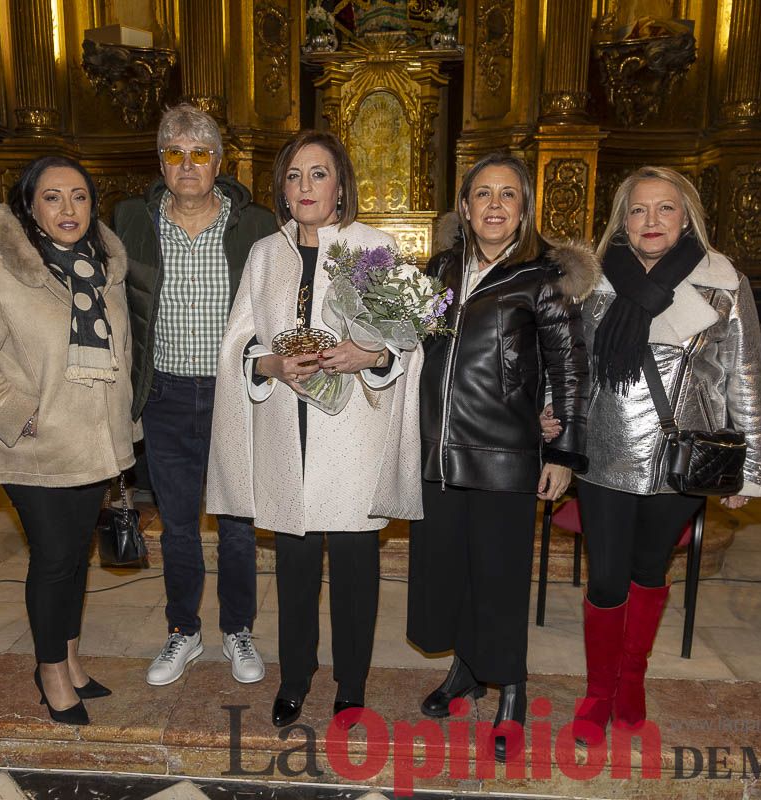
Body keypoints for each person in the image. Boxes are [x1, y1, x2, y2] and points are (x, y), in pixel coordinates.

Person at [205, 130, 422, 728]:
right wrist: (270, 363)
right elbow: (238, 343)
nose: (305, 187)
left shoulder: (375, 248)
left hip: (352, 434)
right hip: (285, 429)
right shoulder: (265, 254)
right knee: (296, 574)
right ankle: (295, 678)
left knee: (355, 571)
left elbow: (406, 348)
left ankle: (351, 687)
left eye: (318, 174)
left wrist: (368, 356)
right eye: (294, 175)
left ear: (341, 186)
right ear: (281, 187)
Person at [570, 166, 761, 746]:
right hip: (604, 453)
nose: (651, 220)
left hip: (681, 457)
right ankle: (596, 692)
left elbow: (746, 376)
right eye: (638, 209)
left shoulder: (722, 281)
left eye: (665, 208)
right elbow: (571, 370)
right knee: (606, 579)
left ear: (687, 217)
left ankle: (630, 680)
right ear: (622, 219)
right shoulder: (590, 279)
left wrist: (750, 468)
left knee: (649, 570)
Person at [406, 152, 597, 762]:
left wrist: (562, 451)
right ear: (463, 208)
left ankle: (510, 691)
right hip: (438, 451)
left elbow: (569, 368)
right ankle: (466, 671)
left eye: (507, 195)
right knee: (452, 571)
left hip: (505, 452)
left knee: (500, 577)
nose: (493, 204)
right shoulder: (438, 270)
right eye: (481, 193)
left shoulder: (542, 277)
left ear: (523, 211)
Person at [0, 155, 135, 726]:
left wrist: (122, 424)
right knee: (53, 560)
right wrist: (17, 416)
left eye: (79, 196)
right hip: (36, 447)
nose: (68, 209)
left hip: (93, 445)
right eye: (53, 197)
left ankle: (70, 658)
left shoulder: (102, 269)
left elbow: (118, 359)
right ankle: (50, 671)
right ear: (29, 206)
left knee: (75, 559)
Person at [114, 104, 277, 687]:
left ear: (219, 162)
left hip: (235, 395)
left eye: (200, 153)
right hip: (164, 396)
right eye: (174, 153)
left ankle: (237, 628)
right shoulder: (131, 220)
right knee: (179, 524)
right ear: (160, 162)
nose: (187, 165)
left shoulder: (255, 224)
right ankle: (183, 630)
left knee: (236, 524)